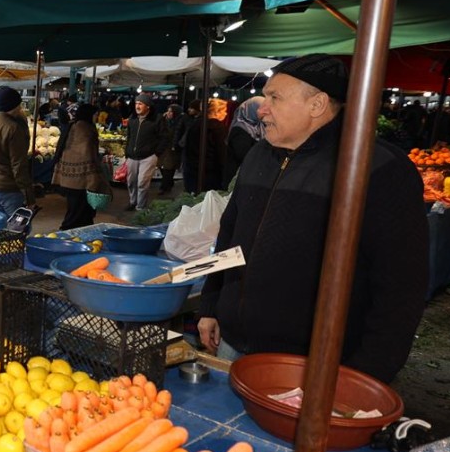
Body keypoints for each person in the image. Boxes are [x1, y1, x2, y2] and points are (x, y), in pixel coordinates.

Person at [197, 54, 428, 383]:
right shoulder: (258, 154)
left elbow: (401, 286)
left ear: (317, 104)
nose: (262, 108)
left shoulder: (376, 167)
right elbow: (229, 234)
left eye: (275, 97)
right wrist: (210, 305)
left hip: (310, 364)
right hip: (231, 344)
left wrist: (367, 374)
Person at [0, 86, 36, 217]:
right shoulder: (13, 128)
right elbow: (19, 165)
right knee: (18, 229)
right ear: (14, 105)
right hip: (8, 188)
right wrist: (29, 196)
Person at [53, 103, 109, 230]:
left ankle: (78, 235)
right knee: (77, 213)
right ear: (89, 114)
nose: (97, 117)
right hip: (80, 179)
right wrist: (94, 179)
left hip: (69, 178)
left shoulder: (73, 126)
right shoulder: (86, 129)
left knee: (77, 211)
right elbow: (87, 155)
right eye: (95, 114)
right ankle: (65, 236)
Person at [123, 93, 169, 210]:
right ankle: (132, 202)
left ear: (148, 106)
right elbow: (129, 136)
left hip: (148, 157)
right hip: (132, 156)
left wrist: (157, 153)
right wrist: (127, 152)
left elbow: (165, 137)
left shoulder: (157, 119)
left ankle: (140, 206)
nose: (137, 106)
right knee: (131, 182)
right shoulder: (132, 119)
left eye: (140, 104)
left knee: (142, 182)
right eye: (136, 103)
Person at [224, 96, 265, 182]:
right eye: (260, 109)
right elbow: (243, 155)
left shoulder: (258, 126)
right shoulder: (240, 129)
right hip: (238, 177)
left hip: (249, 175)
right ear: (251, 110)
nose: (264, 112)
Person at [158, 103, 183, 194]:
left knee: (169, 167)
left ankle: (164, 186)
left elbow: (178, 133)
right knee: (162, 166)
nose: (168, 113)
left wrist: (176, 145)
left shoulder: (180, 121)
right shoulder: (164, 120)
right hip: (164, 146)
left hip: (173, 147)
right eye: (168, 111)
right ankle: (168, 183)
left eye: (171, 111)